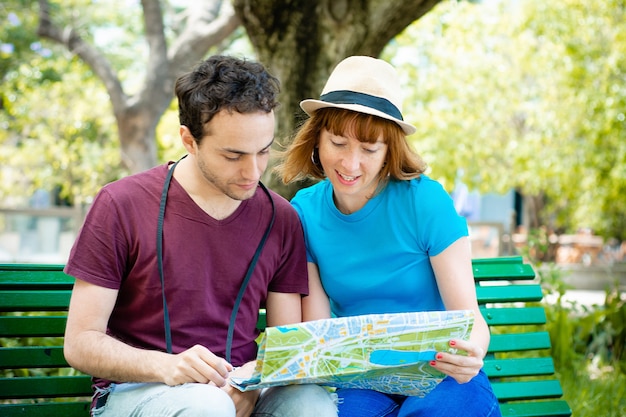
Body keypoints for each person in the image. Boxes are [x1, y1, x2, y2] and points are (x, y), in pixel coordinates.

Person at [63, 55, 337, 417]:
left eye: (263, 151)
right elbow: (80, 343)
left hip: (240, 389)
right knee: (205, 406)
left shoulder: (281, 219)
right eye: (233, 155)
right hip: (140, 390)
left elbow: (286, 346)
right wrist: (165, 366)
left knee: (310, 404)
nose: (253, 171)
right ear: (189, 140)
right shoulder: (120, 204)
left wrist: (255, 384)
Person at [277, 56, 502, 417]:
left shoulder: (424, 202)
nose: (351, 164)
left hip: (441, 373)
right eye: (338, 142)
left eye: (369, 149)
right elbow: (320, 333)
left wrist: (471, 353)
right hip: (362, 380)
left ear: (388, 151)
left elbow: (470, 317)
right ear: (316, 138)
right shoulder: (305, 212)